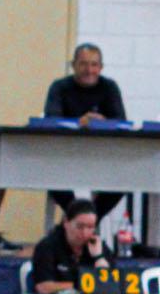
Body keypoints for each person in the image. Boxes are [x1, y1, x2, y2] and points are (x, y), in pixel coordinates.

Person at [43, 42, 128, 223]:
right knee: (48, 176)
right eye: (83, 64)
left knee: (125, 180)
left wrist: (103, 123)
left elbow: (121, 123)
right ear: (73, 65)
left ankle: (89, 221)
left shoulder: (110, 87)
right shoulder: (59, 87)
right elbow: (51, 121)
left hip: (102, 157)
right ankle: (78, 217)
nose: (89, 70)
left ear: (101, 67)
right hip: (63, 156)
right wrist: (78, 122)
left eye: (94, 65)